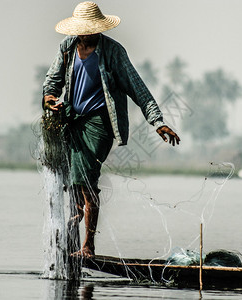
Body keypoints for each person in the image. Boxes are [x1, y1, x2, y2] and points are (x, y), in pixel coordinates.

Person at [42, 1, 180, 258]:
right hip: (73, 124)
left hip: (100, 125)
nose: (87, 33)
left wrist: (158, 122)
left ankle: (88, 245)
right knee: (74, 186)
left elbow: (138, 88)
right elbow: (52, 82)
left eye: (92, 29)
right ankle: (71, 244)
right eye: (83, 29)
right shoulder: (67, 48)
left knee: (87, 180)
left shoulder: (113, 52)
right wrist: (50, 98)